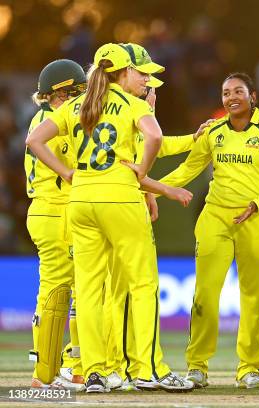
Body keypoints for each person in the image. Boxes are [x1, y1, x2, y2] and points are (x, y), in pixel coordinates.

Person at [25, 43, 193, 393]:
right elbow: (155, 136)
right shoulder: (131, 104)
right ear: (122, 72)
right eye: (141, 72)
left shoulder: (77, 105)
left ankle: (94, 372)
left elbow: (34, 140)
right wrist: (143, 172)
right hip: (118, 198)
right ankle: (148, 371)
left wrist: (69, 174)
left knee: (86, 290)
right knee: (143, 285)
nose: (146, 79)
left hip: (80, 202)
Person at [158, 72, 259, 389]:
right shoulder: (214, 130)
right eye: (225, 92)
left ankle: (249, 368)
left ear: (253, 96)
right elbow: (189, 167)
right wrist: (156, 189)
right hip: (215, 217)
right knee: (205, 293)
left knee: (254, 297)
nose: (231, 97)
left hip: (256, 219)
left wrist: (257, 205)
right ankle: (197, 366)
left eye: (238, 91)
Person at [25, 59, 87, 391]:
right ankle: (74, 367)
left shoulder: (41, 118)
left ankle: (46, 372)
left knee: (53, 291)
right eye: (79, 91)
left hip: (44, 210)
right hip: (60, 210)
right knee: (75, 291)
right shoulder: (58, 123)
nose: (83, 98)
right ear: (63, 93)